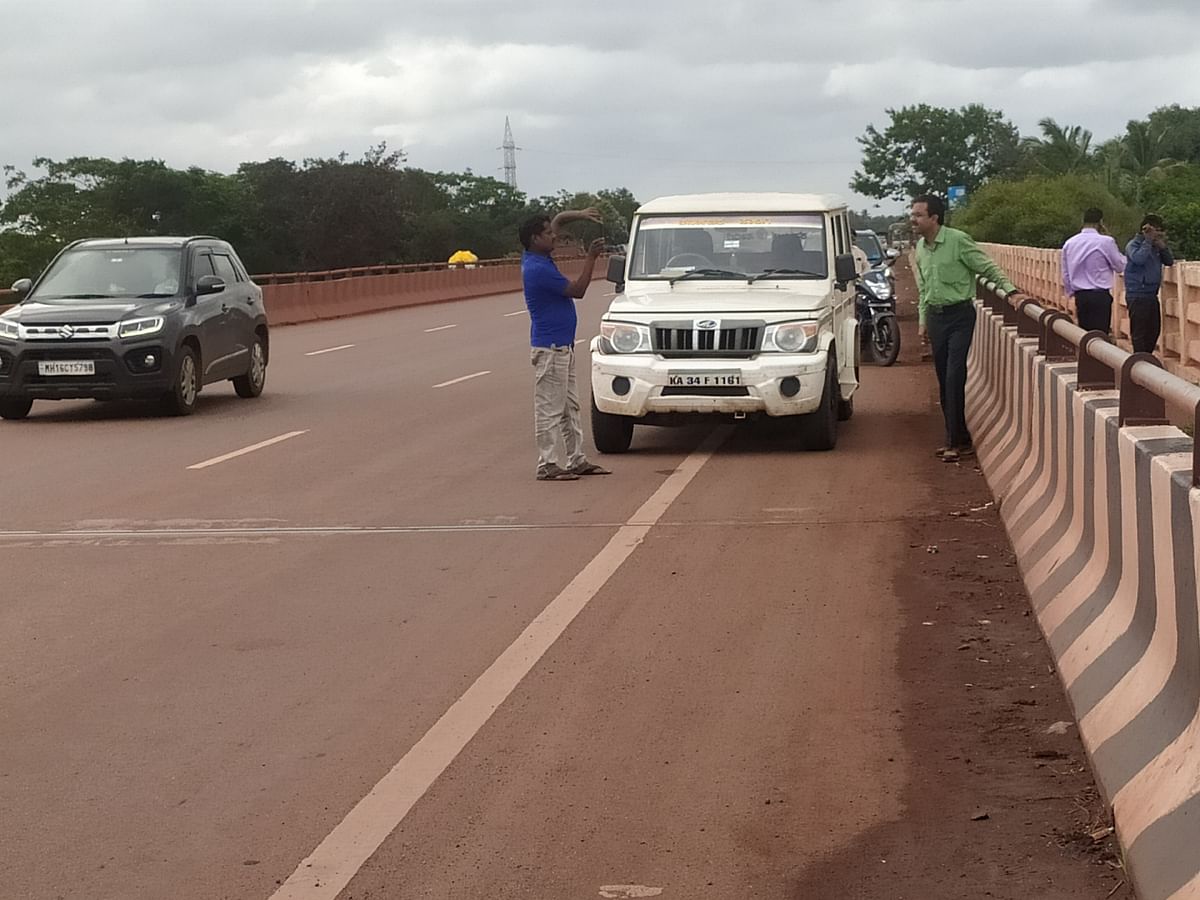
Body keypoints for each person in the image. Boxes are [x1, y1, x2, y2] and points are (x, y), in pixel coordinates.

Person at [912, 194, 1022, 464]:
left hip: (960, 315)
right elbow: (924, 288)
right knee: (943, 378)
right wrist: (922, 321)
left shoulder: (958, 240)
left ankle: (953, 443)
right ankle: (958, 436)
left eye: (918, 215)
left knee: (954, 375)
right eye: (912, 214)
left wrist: (1011, 292)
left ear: (934, 218)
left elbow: (986, 267)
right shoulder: (921, 248)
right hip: (936, 317)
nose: (912, 220)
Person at [520, 209, 613, 481]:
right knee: (550, 409)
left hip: (562, 346)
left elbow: (558, 221)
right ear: (535, 239)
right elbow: (579, 290)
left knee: (569, 407)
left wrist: (580, 214)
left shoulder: (539, 257)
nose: (555, 237)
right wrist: (591, 258)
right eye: (548, 234)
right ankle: (547, 464)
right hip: (550, 349)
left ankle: (576, 459)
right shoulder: (538, 269)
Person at [1061, 208, 1126, 335]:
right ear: (1100, 222)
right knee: (1100, 335)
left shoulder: (1070, 243)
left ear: (1083, 221)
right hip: (1100, 296)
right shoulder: (1106, 241)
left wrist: (1070, 293)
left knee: (1084, 335)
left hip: (1081, 296)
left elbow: (1066, 273)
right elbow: (1120, 266)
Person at [1124, 214, 1175, 354]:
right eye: (1156, 230)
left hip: (1152, 294)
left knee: (1154, 330)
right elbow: (1139, 259)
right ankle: (1140, 359)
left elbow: (1169, 261)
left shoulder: (1155, 247)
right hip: (1137, 294)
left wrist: (1162, 247)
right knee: (1139, 331)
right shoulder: (1133, 245)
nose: (1158, 233)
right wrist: (1147, 240)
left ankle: (1147, 356)